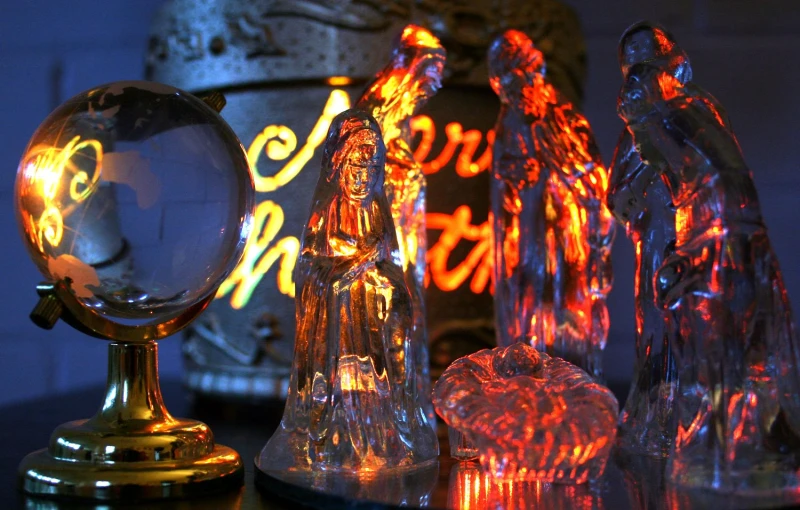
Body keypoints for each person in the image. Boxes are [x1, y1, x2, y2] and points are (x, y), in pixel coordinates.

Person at [261, 109, 437, 471]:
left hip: (374, 330)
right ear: (339, 167)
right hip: (338, 329)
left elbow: (392, 269)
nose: (362, 178)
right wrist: (354, 266)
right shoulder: (326, 213)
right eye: (356, 169)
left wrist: (382, 277)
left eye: (371, 171)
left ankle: (386, 436)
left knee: (389, 358)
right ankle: (326, 439)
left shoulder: (378, 213)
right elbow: (311, 269)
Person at [488, 29, 613, 379]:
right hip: (525, 238)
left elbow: (591, 179)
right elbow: (503, 188)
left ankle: (569, 382)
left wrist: (555, 176)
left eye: (517, 83)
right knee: (524, 302)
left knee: (562, 307)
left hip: (563, 236)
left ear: (534, 75)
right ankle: (525, 382)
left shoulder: (564, 123)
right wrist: (515, 177)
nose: (513, 96)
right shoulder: (508, 122)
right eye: (505, 89)